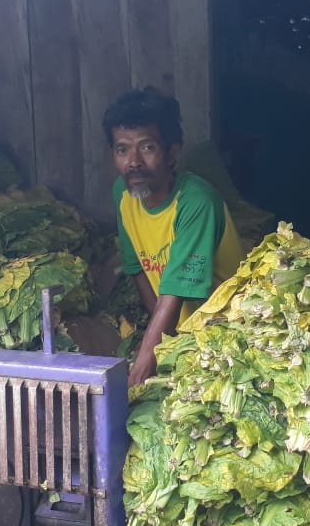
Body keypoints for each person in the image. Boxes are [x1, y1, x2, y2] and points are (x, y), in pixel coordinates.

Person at [103, 87, 244, 387]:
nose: (134, 161)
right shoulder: (123, 194)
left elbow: (174, 292)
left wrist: (141, 371)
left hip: (229, 334)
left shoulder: (196, 201)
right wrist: (164, 345)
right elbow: (137, 268)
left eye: (147, 147)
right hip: (183, 335)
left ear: (172, 153)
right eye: (122, 149)